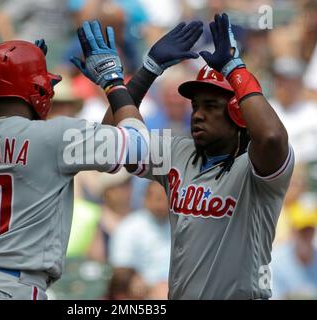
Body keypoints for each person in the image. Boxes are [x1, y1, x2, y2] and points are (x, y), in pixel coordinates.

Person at [0, 19, 203, 300]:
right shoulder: (53, 137)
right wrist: (114, 82)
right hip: (9, 288)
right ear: (35, 91)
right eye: (45, 85)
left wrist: (26, 71)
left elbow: (100, 140)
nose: (49, 91)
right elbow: (137, 145)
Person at [100, 13, 294, 299]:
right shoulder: (178, 151)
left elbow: (272, 136)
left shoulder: (256, 167)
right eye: (195, 106)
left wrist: (234, 68)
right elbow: (106, 145)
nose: (198, 115)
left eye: (211, 106)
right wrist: (148, 71)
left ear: (237, 113)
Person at [109, 181, 170, 289]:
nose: (160, 204)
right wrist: (149, 288)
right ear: (145, 199)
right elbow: (121, 270)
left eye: (165, 198)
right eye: (157, 198)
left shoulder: (182, 226)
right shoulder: (129, 226)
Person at [271, 203, 317, 299]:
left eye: (310, 229)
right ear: (293, 231)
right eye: (302, 230)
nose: (306, 235)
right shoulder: (276, 262)